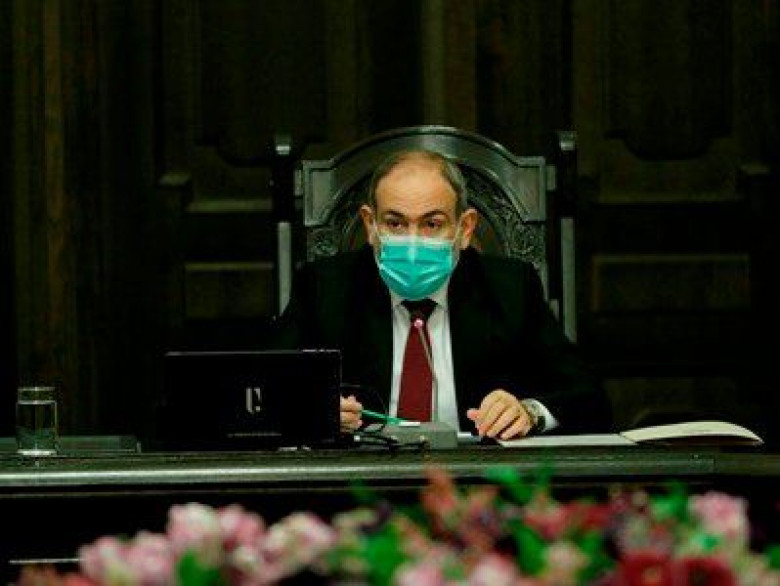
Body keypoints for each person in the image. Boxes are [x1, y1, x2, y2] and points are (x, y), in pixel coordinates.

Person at [273, 149, 612, 439]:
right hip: (361, 479)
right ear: (370, 225)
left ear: (464, 229)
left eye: (432, 224)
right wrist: (312, 410)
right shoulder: (325, 287)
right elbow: (264, 391)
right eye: (395, 223)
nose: (413, 241)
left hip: (477, 481)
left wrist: (529, 412)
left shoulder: (510, 288)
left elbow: (588, 397)